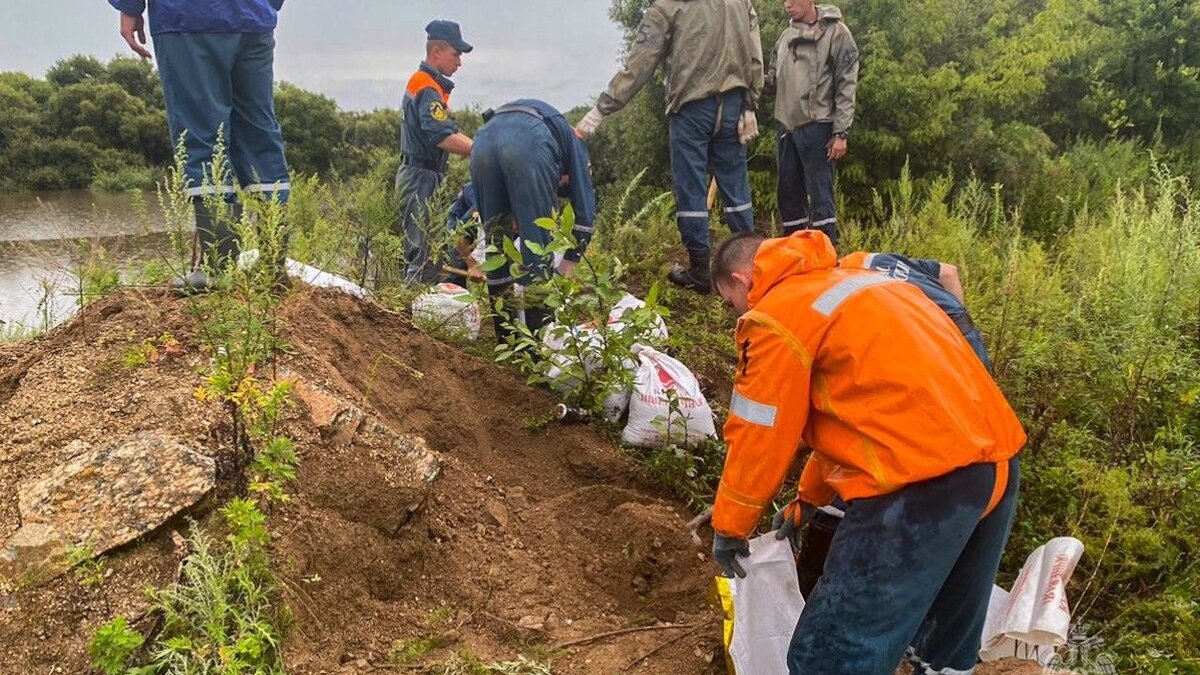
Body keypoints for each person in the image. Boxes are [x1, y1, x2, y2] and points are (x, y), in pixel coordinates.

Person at [708, 230, 1026, 674]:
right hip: (994, 466)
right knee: (942, 650)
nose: (736, 313)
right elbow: (866, 417)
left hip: (917, 485)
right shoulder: (861, 283)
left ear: (742, 280)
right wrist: (808, 499)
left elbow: (759, 432)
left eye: (730, 303)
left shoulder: (777, 317)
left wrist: (730, 526)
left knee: (831, 656)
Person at [575, 0, 764, 294]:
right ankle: (754, 267)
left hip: (691, 106)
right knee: (736, 186)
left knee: (690, 187)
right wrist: (751, 102)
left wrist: (601, 109)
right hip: (733, 105)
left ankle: (701, 270)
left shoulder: (667, 5)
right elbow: (754, 50)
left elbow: (641, 61)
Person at [109, 0, 291, 292]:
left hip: (188, 17)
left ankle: (218, 267)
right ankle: (273, 265)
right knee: (260, 137)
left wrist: (130, 7)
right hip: (253, 17)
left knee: (201, 136)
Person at [472, 99, 597, 337]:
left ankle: (506, 339)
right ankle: (540, 343)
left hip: (482, 141)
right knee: (538, 247)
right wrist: (567, 266)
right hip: (528, 142)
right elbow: (585, 214)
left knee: (496, 243)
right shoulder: (577, 149)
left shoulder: (554, 131)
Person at [768, 0, 859, 247]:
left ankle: (826, 258)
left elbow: (846, 85)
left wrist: (841, 133)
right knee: (788, 196)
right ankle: (794, 258)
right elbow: (772, 81)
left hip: (819, 126)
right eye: (784, 0)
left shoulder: (836, 33)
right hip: (786, 128)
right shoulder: (784, 37)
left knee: (820, 199)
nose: (787, 5)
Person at [397, 20, 475, 284]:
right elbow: (442, 136)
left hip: (426, 176)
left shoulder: (433, 87)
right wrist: (480, 151)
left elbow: (448, 131)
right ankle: (405, 319)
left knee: (431, 255)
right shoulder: (426, 87)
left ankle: (419, 317)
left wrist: (476, 146)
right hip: (420, 176)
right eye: (456, 54)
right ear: (437, 51)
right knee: (421, 256)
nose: (459, 62)